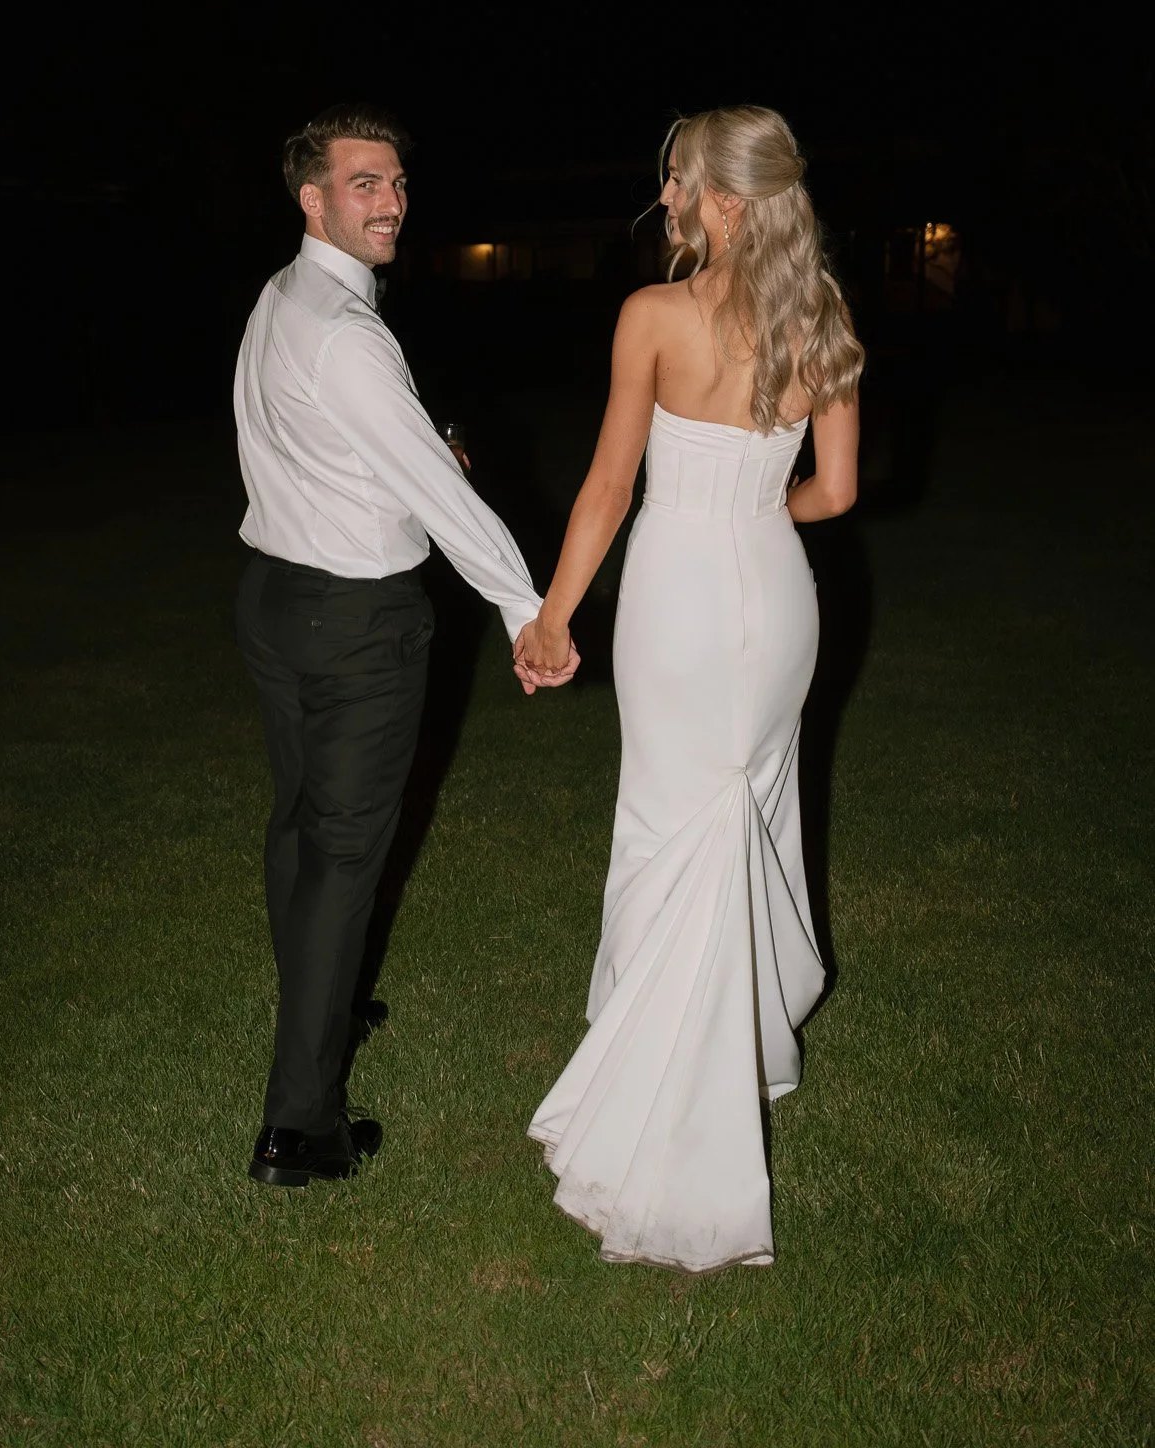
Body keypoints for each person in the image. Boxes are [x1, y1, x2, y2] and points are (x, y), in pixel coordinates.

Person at [515, 105, 863, 1272]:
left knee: (672, 821)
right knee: (748, 805)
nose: (662, 195)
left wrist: (554, 615)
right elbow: (836, 492)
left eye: (677, 179)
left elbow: (610, 486)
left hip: (676, 601)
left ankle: (668, 1089)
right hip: (779, 597)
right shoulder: (823, 316)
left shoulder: (653, 315)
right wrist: (759, 510)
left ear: (722, 198)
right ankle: (750, 1037)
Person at [235, 103, 579, 1190]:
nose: (389, 200)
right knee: (343, 857)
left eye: (394, 181)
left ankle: (326, 999)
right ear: (313, 198)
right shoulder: (346, 330)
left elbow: (326, 442)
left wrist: (425, 451)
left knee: (300, 828)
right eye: (363, 182)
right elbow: (439, 495)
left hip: (277, 600)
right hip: (353, 623)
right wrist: (527, 609)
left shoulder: (284, 297)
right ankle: (300, 1128)